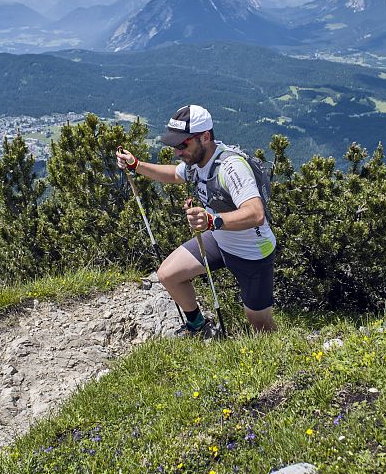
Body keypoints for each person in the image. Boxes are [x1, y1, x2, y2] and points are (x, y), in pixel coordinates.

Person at [116, 105, 277, 335]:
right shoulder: (196, 163)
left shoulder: (231, 167)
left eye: (183, 145)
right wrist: (136, 165)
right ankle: (198, 326)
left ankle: (282, 355)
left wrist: (212, 221)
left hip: (252, 252)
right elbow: (173, 174)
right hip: (220, 240)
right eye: (174, 145)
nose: (177, 152)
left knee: (260, 324)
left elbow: (256, 213)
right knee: (168, 275)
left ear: (205, 137)